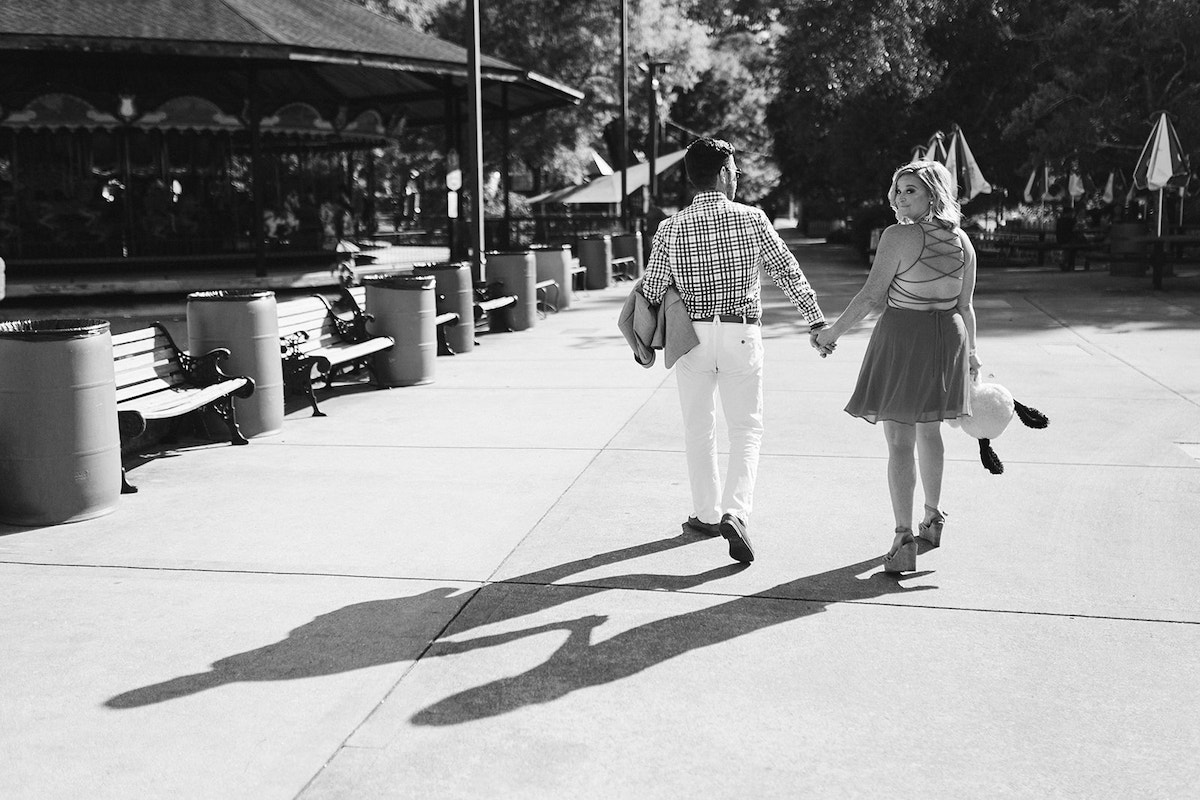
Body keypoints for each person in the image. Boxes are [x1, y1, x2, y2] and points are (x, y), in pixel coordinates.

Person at [640, 138, 829, 564]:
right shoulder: (751, 219)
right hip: (742, 334)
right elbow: (787, 270)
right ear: (725, 173)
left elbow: (651, 289)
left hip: (691, 338)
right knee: (745, 429)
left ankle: (706, 514)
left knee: (698, 426)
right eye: (736, 172)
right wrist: (815, 321)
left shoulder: (671, 227)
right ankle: (736, 512)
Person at [814, 160, 980, 573]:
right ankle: (934, 516)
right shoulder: (962, 240)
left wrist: (831, 333)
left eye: (912, 190)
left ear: (933, 195)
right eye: (899, 189)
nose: (901, 197)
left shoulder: (899, 236)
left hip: (907, 337)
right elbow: (965, 306)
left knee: (900, 442)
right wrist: (973, 355)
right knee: (931, 431)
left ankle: (903, 536)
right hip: (950, 338)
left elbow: (872, 296)